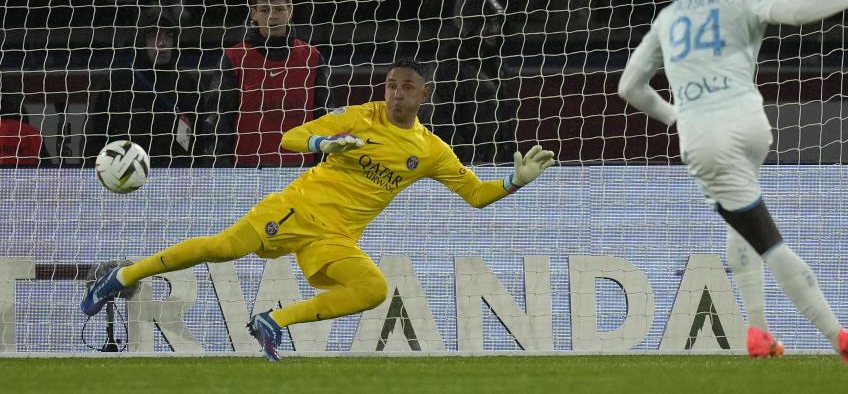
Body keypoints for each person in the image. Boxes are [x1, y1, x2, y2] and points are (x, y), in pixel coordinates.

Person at [81, 58, 556, 361]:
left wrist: (515, 181)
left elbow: (475, 195)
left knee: (372, 290)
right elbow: (288, 138)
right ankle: (123, 276)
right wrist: (322, 141)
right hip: (296, 211)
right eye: (390, 85)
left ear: (423, 95)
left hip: (336, 238)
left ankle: (274, 320)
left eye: (406, 88)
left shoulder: (431, 151)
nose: (395, 94)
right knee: (223, 248)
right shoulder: (359, 117)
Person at [617, 0, 848, 371]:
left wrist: (677, 117)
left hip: (705, 135)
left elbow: (628, 87)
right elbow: (795, 12)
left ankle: (839, 337)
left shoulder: (669, 17)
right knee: (738, 214)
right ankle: (758, 331)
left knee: (767, 241)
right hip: (752, 124)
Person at [202, 0, 331, 167]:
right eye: (264, 10)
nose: (273, 16)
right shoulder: (234, 58)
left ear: (290, 10)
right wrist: (220, 172)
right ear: (253, 13)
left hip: (302, 174)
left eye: (279, 9)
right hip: (246, 174)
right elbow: (217, 122)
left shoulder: (312, 57)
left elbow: (325, 117)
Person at [85, 16, 201, 167]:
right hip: (125, 177)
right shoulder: (117, 82)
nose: (162, 43)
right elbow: (94, 136)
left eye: (168, 36)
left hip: (177, 178)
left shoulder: (188, 84)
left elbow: (201, 140)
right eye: (154, 36)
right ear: (141, 41)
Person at [431, 0, 518, 164]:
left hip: (498, 163)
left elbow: (503, 119)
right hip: (468, 168)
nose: (495, 29)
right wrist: (470, 159)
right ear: (470, 26)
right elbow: (441, 123)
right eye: (488, 23)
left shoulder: (496, 64)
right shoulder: (451, 66)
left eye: (496, 23)